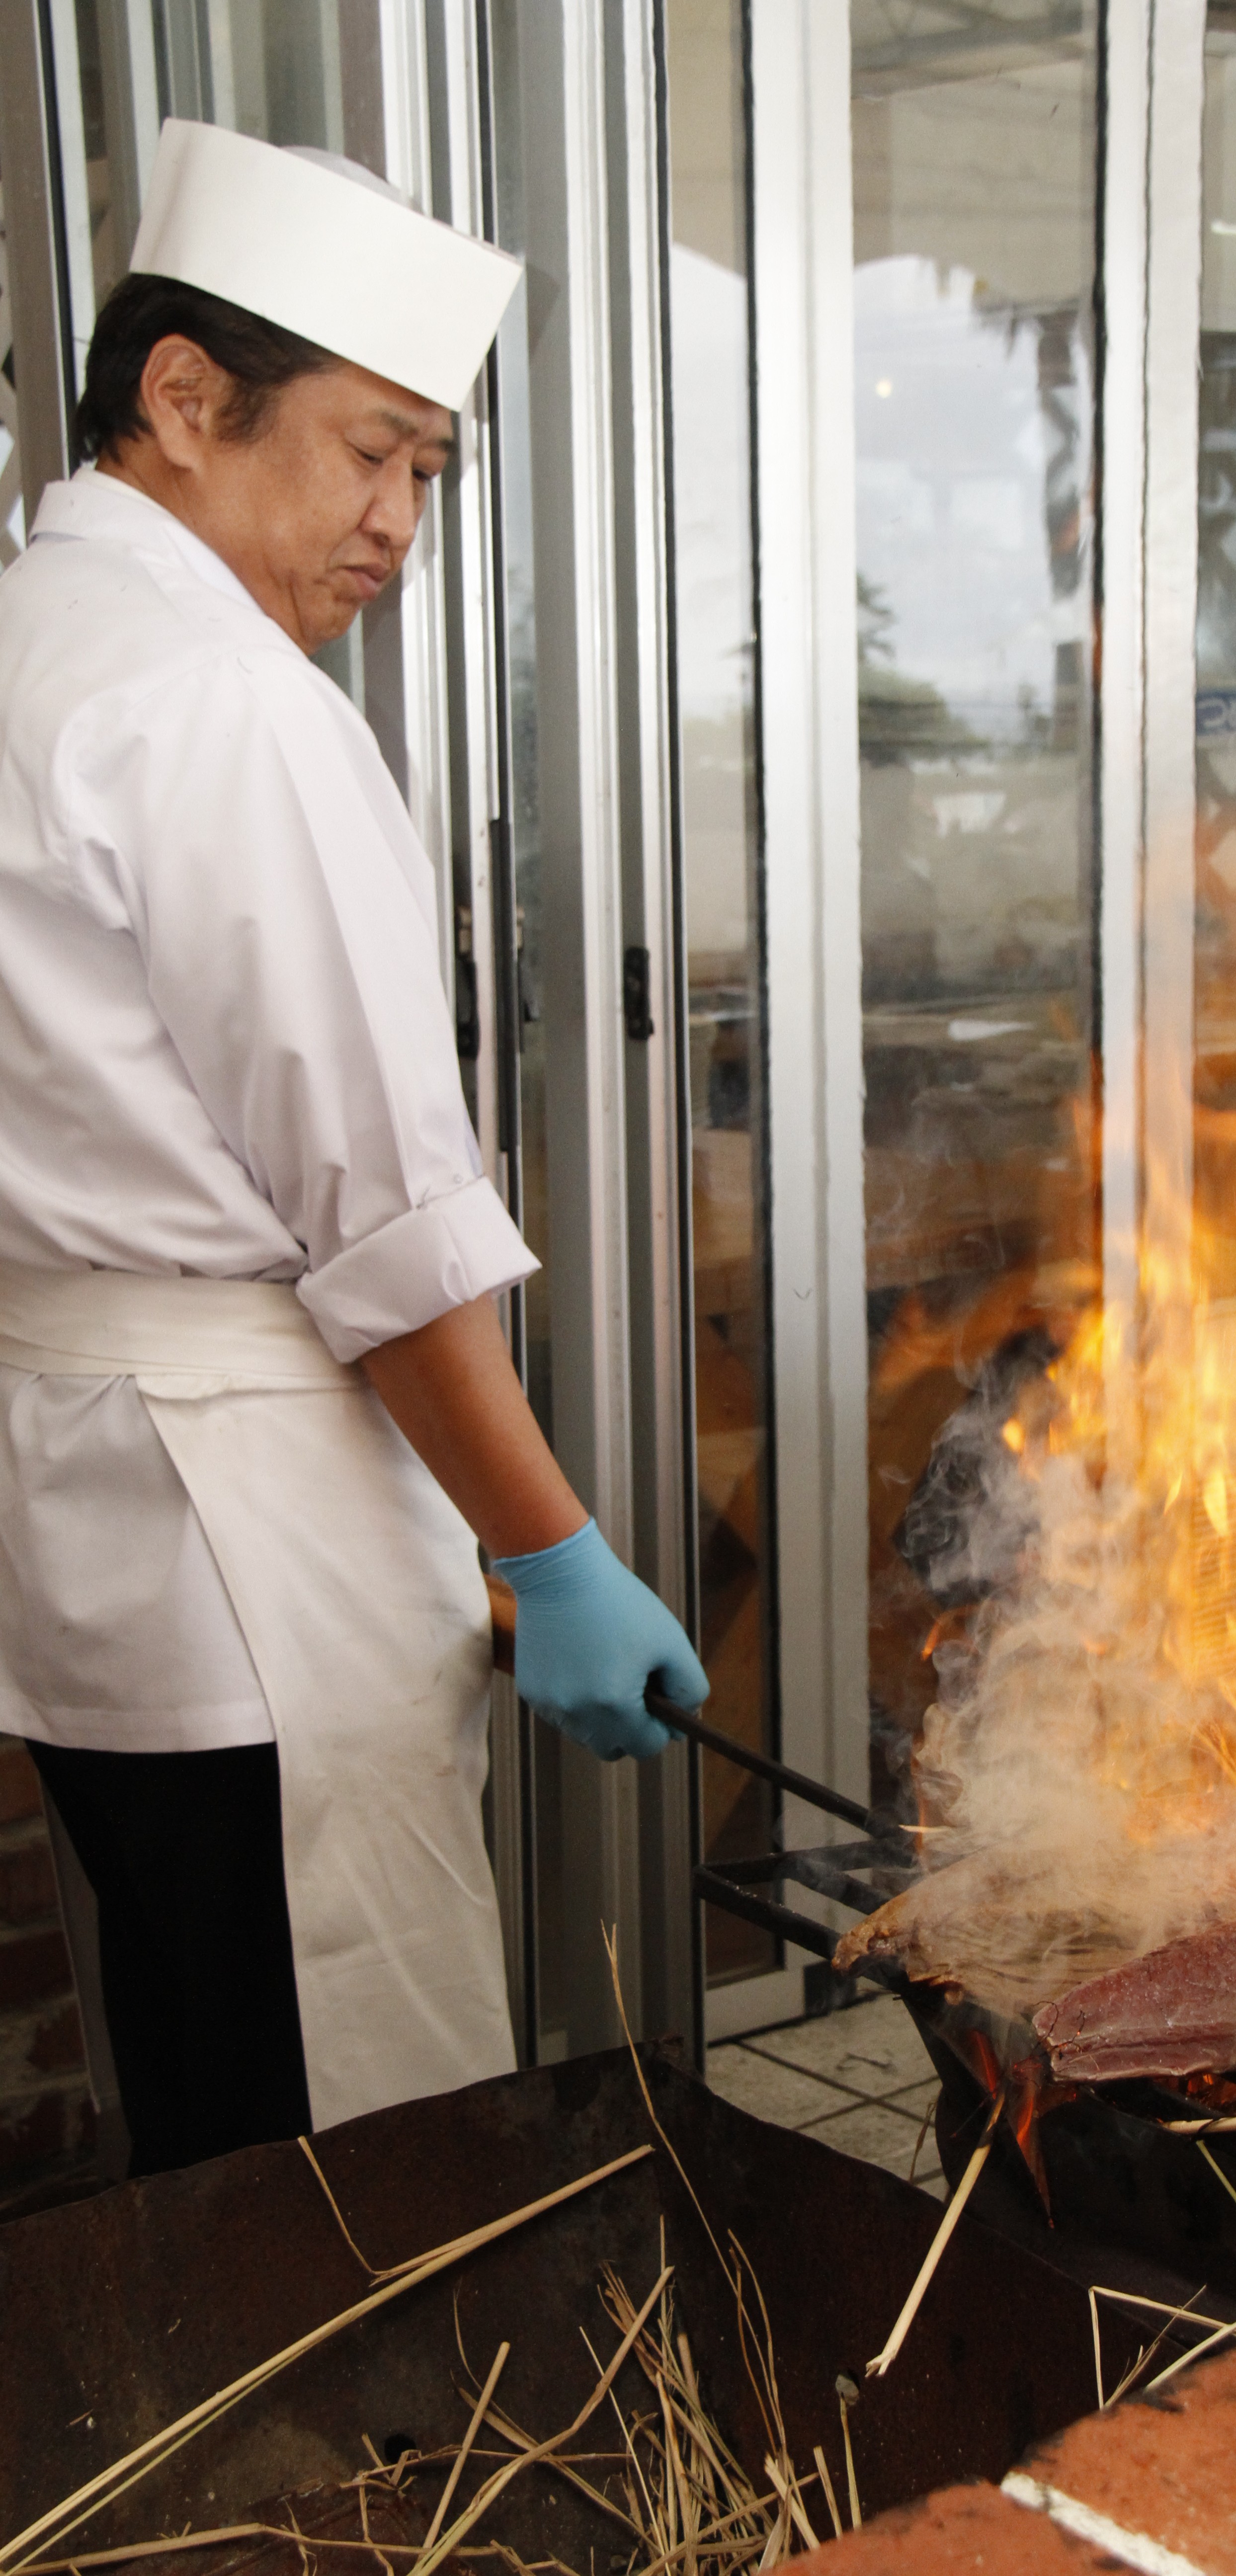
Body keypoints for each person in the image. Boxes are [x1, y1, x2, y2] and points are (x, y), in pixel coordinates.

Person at [0, 120, 707, 2176]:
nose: (399, 520)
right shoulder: (222, 700)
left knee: (199, 2085)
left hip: (86, 1529)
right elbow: (379, 1214)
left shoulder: (36, 639)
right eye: (368, 453)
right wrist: (548, 1544)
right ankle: (376, 2483)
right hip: (251, 1533)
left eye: (432, 472)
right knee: (340, 2137)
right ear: (188, 400)